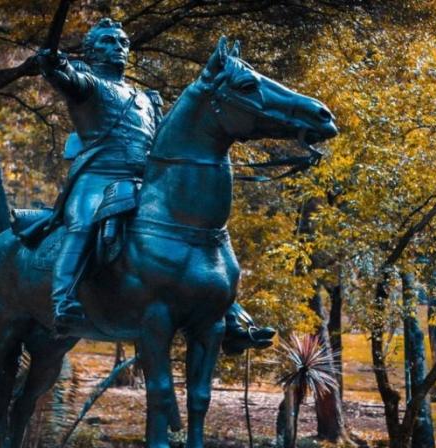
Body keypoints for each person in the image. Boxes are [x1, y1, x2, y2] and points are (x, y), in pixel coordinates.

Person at [38, 18, 274, 354]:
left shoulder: (145, 98)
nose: (117, 46)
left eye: (121, 41)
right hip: (99, 177)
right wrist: (51, 64)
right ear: (91, 51)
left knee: (199, 230)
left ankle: (229, 313)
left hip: (144, 181)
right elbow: (64, 76)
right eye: (107, 41)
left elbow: (163, 142)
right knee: (83, 223)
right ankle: (63, 302)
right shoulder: (87, 83)